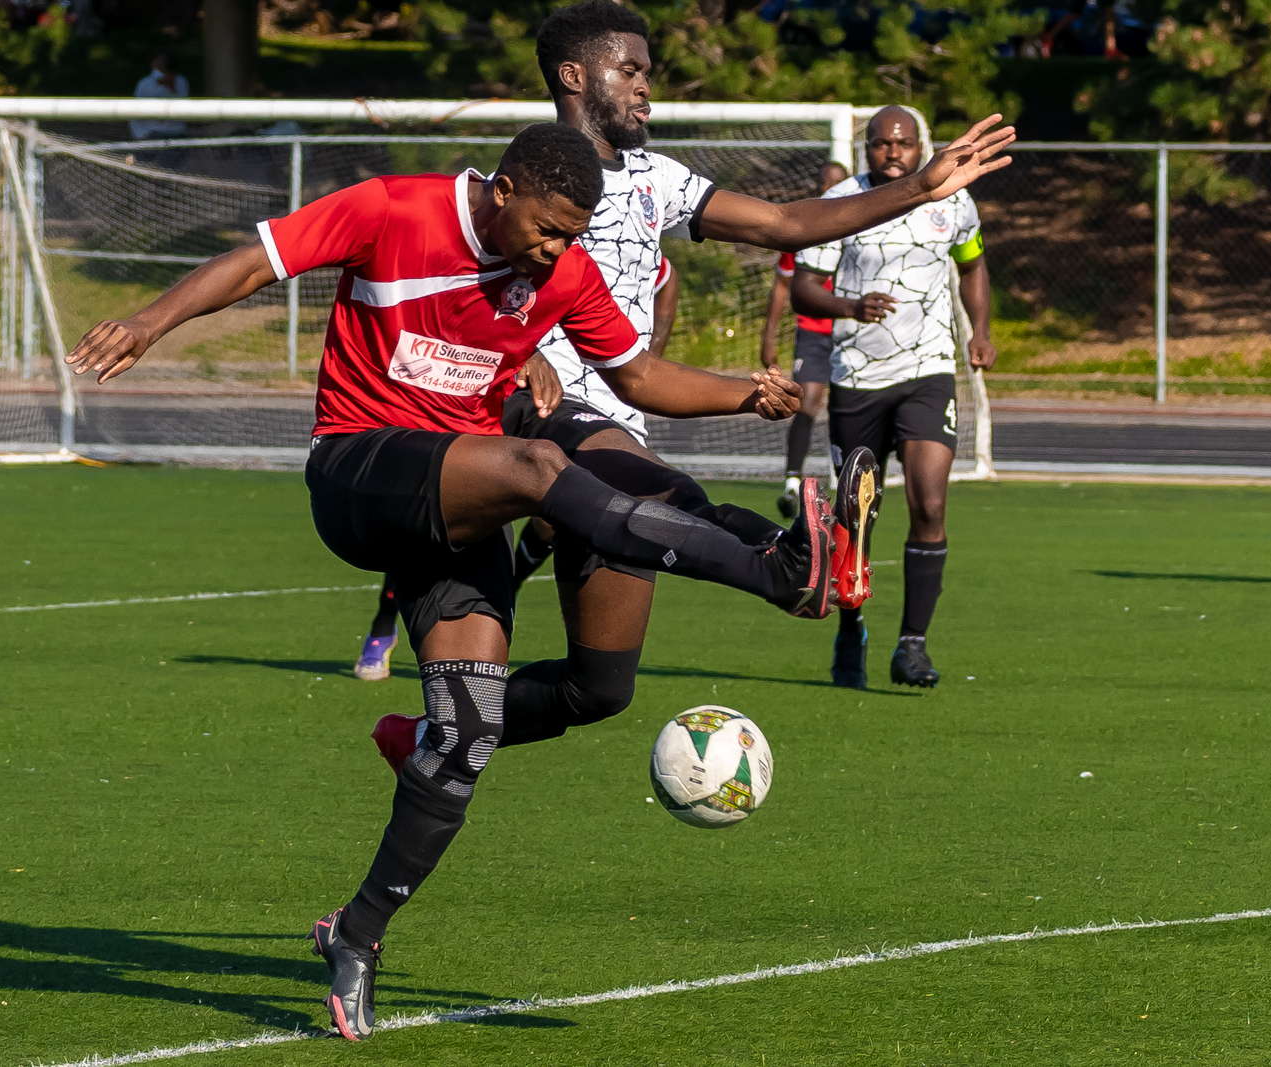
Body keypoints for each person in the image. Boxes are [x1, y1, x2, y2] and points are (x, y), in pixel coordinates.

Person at [64, 123, 840, 1042]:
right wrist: (149, 322)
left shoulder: (563, 270)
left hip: (454, 505)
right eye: (550, 229)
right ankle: (773, 567)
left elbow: (636, 374)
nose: (558, 252)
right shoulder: (394, 208)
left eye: (574, 236)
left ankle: (356, 934)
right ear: (504, 189)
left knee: (467, 735)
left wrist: (741, 391)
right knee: (536, 466)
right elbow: (251, 264)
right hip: (360, 473)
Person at [367, 0, 1016, 776]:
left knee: (599, 686)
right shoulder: (525, 177)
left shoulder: (655, 179)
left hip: (617, 413)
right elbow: (444, 281)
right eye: (631, 71)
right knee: (660, 494)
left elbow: (781, 221)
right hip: (531, 416)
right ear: (575, 76)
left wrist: (920, 190)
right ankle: (793, 561)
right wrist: (513, 357)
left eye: (649, 72)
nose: (647, 87)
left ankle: (428, 739)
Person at [353, 255, 680, 682]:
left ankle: (505, 595)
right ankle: (385, 620)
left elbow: (667, 284)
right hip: (508, 393)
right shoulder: (527, 246)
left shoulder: (626, 246)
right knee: (444, 522)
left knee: (556, 519)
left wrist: (645, 358)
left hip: (587, 403)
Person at [792, 105, 996, 690]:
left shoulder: (952, 199)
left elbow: (973, 266)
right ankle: (851, 625)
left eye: (904, 143)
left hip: (928, 370)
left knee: (930, 501)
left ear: (919, 144)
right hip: (856, 377)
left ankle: (913, 645)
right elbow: (806, 287)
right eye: (882, 144)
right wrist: (849, 308)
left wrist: (980, 331)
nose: (894, 152)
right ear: (868, 148)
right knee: (857, 517)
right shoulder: (843, 204)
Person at [760, 160, 852, 517]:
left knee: (848, 404)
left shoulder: (862, 225)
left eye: (837, 186)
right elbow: (782, 285)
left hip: (851, 331)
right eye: (825, 186)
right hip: (813, 330)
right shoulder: (802, 229)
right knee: (807, 398)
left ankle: (849, 481)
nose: (830, 192)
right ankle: (792, 482)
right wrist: (768, 335)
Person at [130, 51, 189, 141]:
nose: (161, 67)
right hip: (149, 136)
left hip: (175, 134)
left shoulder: (180, 81)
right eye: (158, 63)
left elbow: (183, 111)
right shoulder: (144, 83)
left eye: (164, 63)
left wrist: (171, 87)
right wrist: (142, 135)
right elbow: (135, 113)